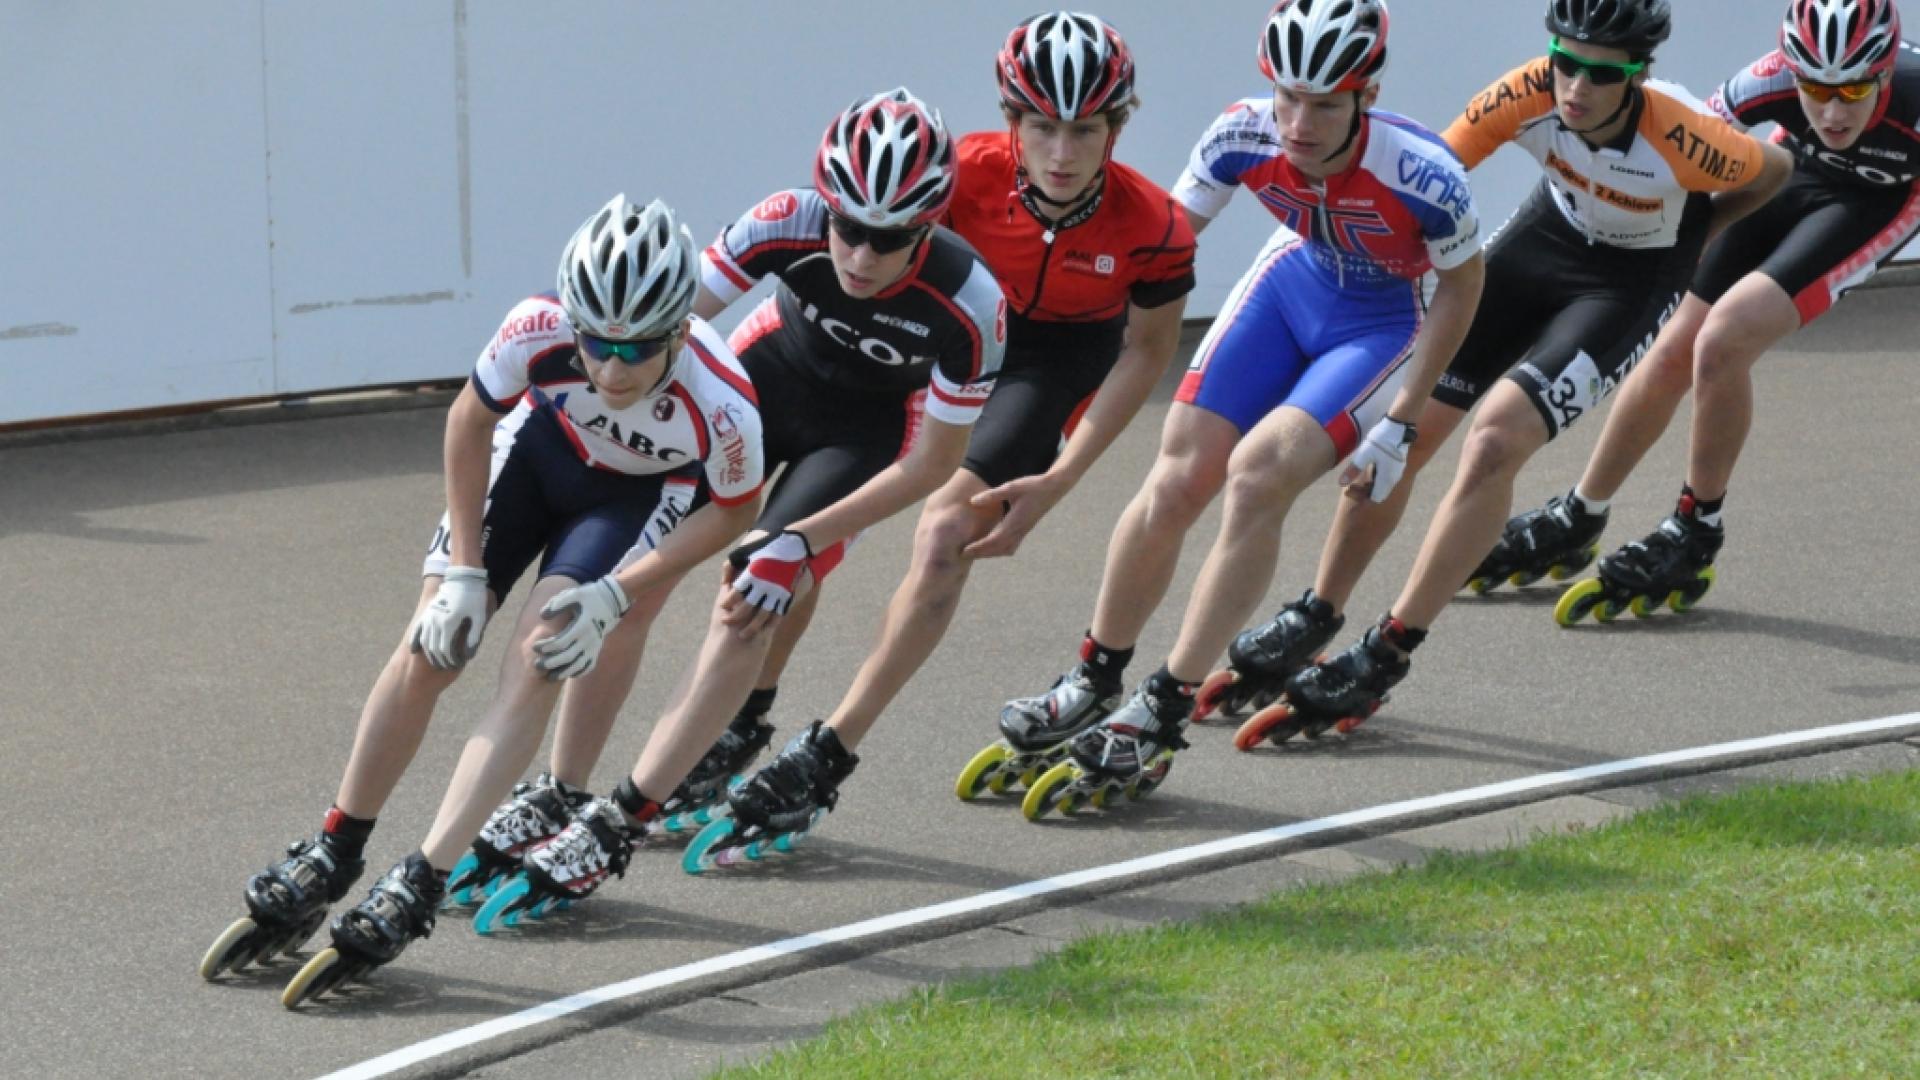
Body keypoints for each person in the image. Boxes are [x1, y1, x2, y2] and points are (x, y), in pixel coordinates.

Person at [198, 194, 768, 1002]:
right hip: (534, 458)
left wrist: (619, 592)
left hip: (628, 503)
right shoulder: (536, 327)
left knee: (538, 657)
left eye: (637, 348)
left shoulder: (724, 401)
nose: (611, 369)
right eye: (596, 342)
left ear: (680, 330)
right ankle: (335, 844)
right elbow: (468, 423)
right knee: (432, 645)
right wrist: (463, 573)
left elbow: (735, 511)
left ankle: (421, 878)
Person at [470, 87, 1007, 918]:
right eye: (848, 227)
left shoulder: (973, 305)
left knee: (753, 596)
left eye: (890, 238)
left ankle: (621, 818)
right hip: (760, 385)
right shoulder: (782, 220)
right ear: (825, 205)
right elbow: (660, 331)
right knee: (635, 582)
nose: (861, 254)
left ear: (930, 226)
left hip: (861, 437)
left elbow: (932, 463)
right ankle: (562, 789)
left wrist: (800, 541)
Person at [694, 10, 1202, 853]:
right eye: (1041, 126)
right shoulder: (957, 176)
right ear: (1012, 120)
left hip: (1047, 366)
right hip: (944, 349)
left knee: (943, 535)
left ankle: (831, 749)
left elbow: (1146, 350)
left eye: (1085, 130)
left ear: (1117, 126)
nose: (1063, 153)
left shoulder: (1154, 225)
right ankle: (746, 717)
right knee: (805, 527)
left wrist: (1064, 475)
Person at [1255, 0, 1798, 745]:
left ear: (1639, 75)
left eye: (1600, 74)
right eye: (1564, 63)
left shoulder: (1685, 138)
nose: (1574, 87)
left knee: (1496, 439)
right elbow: (1427, 181)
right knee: (1404, 431)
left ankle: (1388, 650)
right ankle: (1317, 609)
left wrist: (1697, 234)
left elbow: (1776, 169)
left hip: (1629, 283)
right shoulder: (1523, 94)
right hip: (1546, 239)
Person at [996, 0, 1487, 817]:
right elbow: (1160, 243)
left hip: (1385, 318)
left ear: (1366, 97)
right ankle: (1095, 674)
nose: (1297, 124)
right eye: (1287, 97)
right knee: (1178, 474)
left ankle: (1163, 702)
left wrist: (1403, 420)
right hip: (1292, 282)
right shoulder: (1240, 133)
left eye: (1323, 105)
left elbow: (1465, 288)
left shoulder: (1424, 173)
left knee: (1259, 472)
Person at [1545, 0, 1920, 624]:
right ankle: (1581, 510)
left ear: (1883, 73)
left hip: (1881, 202)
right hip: (1796, 171)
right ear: (1793, 72)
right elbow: (1679, 148)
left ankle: (1696, 526)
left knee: (1723, 340)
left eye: (1854, 90)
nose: (1832, 112)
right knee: (1674, 346)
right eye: (1815, 89)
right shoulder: (1767, 78)